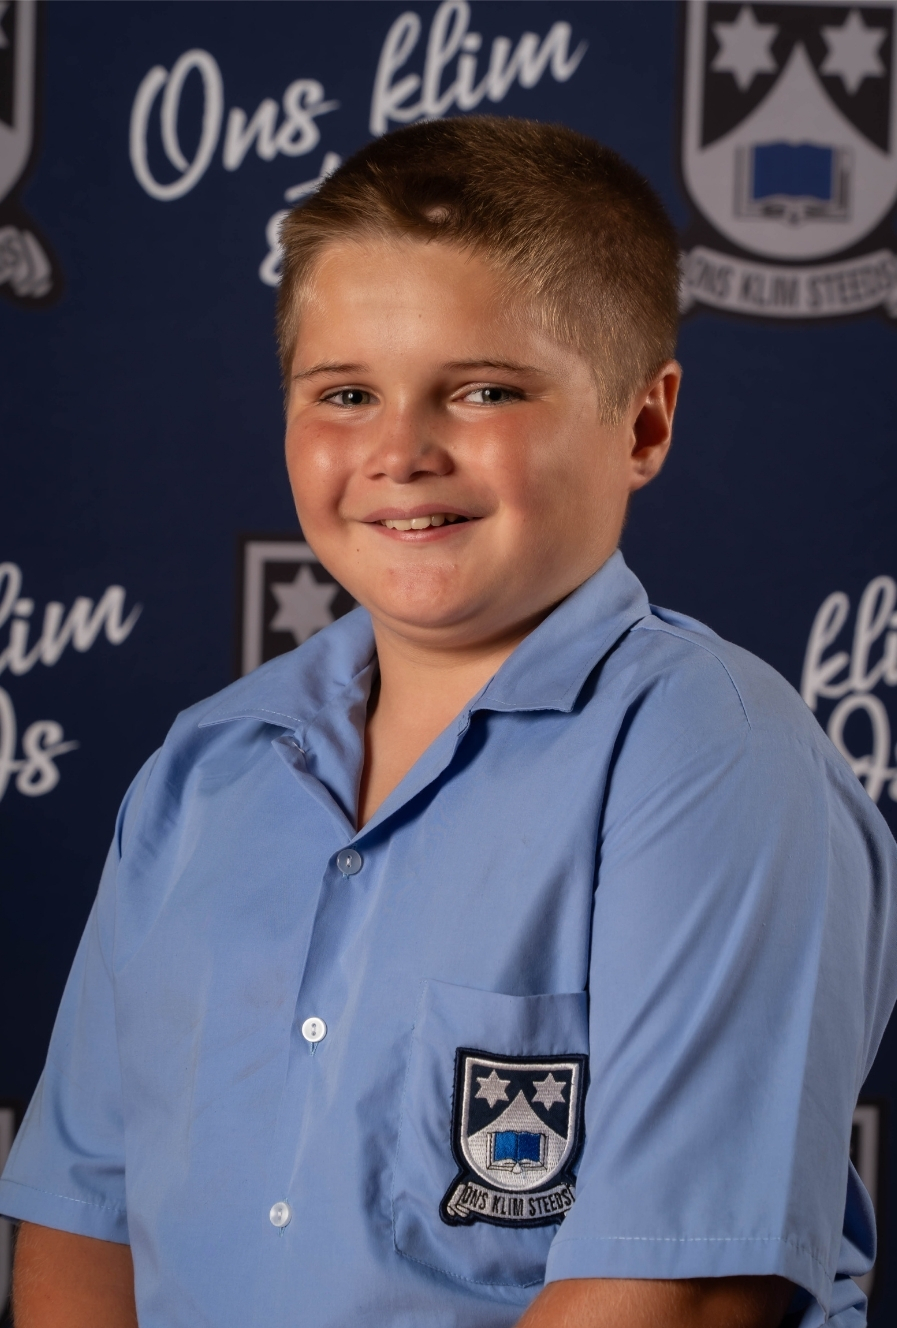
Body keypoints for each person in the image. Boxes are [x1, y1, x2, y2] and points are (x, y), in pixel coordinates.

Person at [2, 116, 895, 1328]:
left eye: (483, 391)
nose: (400, 451)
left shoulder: (709, 757)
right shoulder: (202, 771)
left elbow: (682, 1291)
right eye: (346, 392)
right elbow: (82, 1223)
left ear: (642, 424)